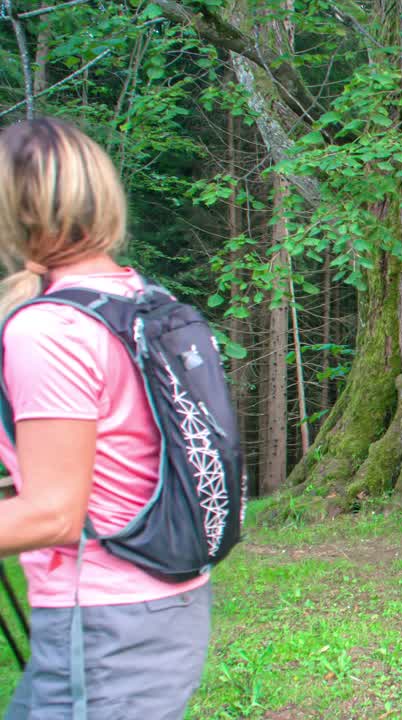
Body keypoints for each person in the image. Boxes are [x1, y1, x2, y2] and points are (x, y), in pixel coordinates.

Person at [0, 117, 211, 719]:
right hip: (163, 605)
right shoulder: (143, 302)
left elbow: (54, 513)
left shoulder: (52, 329)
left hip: (104, 624)